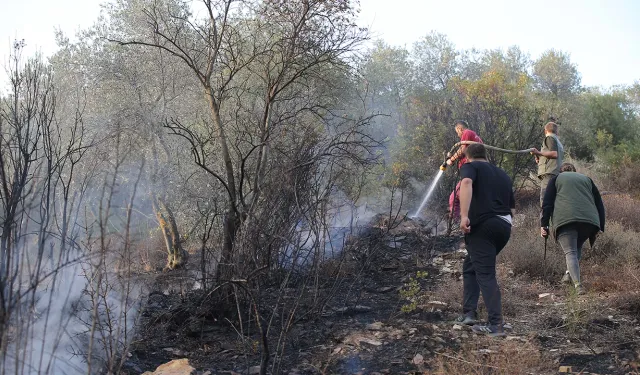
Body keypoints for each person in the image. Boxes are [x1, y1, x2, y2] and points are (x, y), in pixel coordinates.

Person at [456, 143, 514, 337]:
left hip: (483, 226)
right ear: (485, 154)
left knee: (486, 274)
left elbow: (465, 184)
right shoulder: (503, 174)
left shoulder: (470, 167)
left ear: (468, 157)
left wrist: (464, 216)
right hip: (504, 226)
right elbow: (511, 206)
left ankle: (496, 324)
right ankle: (469, 313)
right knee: (471, 265)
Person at [540, 163, 605, 295]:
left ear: (561, 171)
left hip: (566, 220)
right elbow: (599, 204)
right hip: (589, 222)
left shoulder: (556, 179)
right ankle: (568, 275)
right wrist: (601, 226)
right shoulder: (587, 180)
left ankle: (578, 286)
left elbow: (547, 203)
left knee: (570, 252)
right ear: (574, 171)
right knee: (577, 247)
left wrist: (544, 225)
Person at [446, 120, 483, 219]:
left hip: (471, 172)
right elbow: (463, 149)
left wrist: (451, 160)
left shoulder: (467, 133)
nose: (458, 135)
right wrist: (453, 157)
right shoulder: (475, 137)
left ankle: (455, 224)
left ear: (460, 129)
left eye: (457, 132)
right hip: (477, 172)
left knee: (453, 199)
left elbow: (462, 150)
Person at [531, 122, 564, 207]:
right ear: (557, 132)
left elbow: (554, 154)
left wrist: (538, 152)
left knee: (545, 201)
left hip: (549, 173)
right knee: (553, 201)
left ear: (545, 131)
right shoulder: (558, 142)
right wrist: (539, 155)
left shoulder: (550, 138)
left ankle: (544, 220)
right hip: (555, 173)